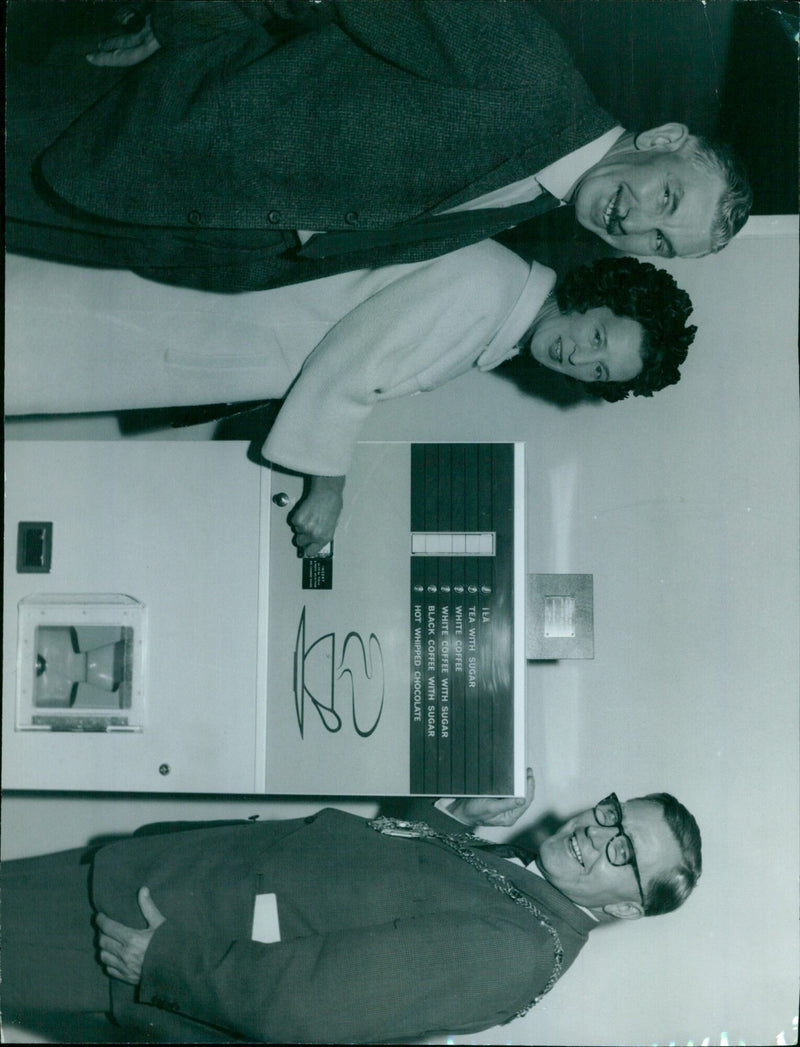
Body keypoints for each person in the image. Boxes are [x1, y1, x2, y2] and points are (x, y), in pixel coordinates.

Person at [5, 1, 752, 293]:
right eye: (667, 199)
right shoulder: (528, 72)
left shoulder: (532, 204)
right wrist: (185, 17)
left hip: (141, 225)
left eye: (660, 241)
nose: (637, 223)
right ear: (663, 139)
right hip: (131, 117)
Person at [5, 243, 697, 555]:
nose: (580, 356)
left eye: (600, 371)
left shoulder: (499, 320)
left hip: (200, 337)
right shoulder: (488, 287)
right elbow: (351, 368)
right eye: (600, 334)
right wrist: (328, 488)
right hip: (188, 324)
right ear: (592, 297)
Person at [1, 771, 703, 1043]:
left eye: (624, 854)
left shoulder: (521, 949)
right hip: (159, 879)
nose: (597, 833)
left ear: (625, 909)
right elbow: (382, 876)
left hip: (144, 936)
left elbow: (313, 1002)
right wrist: (455, 813)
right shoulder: (525, 890)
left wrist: (167, 960)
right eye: (615, 814)